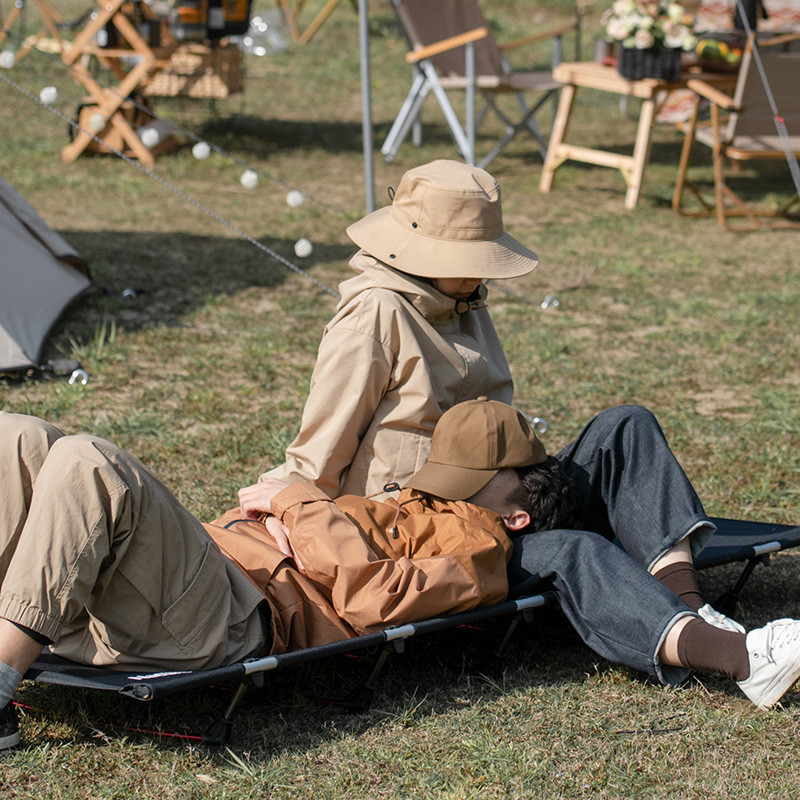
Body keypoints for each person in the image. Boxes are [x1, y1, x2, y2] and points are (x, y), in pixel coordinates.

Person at [2, 402, 800, 752]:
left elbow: (370, 601)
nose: (438, 486)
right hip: (188, 576)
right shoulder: (422, 501)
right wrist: (300, 513)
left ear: (516, 513)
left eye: (465, 480)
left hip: (225, 614)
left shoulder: (480, 544)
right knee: (23, 440)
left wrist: (301, 508)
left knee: (88, 459)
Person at [259, 159, 539, 500]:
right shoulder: (375, 313)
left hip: (484, 492)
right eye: (464, 261)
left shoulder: (464, 300)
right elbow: (329, 434)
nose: (476, 276)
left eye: (481, 262)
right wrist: (295, 504)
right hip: (400, 510)